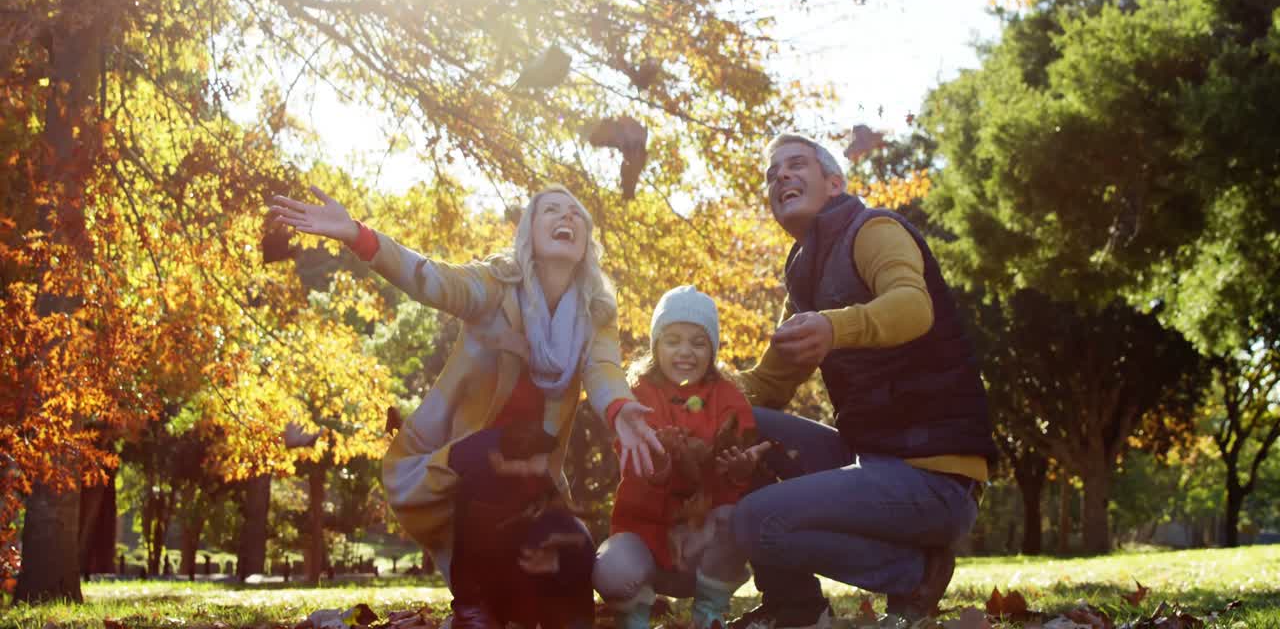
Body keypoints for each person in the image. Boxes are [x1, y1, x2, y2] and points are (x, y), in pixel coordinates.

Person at [267, 184, 664, 629]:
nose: (566, 217)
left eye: (575, 214)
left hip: (533, 482)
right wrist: (358, 235)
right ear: (529, 232)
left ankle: (522, 609)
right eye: (551, 210)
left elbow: (603, 367)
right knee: (497, 448)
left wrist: (620, 409)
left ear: (586, 241)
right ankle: (471, 608)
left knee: (574, 551)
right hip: (463, 462)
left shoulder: (595, 311)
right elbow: (432, 279)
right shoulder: (496, 285)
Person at [727, 134, 998, 627]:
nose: (780, 176)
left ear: (834, 184)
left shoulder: (873, 229)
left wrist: (835, 328)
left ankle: (914, 574)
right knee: (739, 420)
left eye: (796, 165)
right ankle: (796, 607)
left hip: (936, 480)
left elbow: (913, 306)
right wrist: (689, 395)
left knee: (753, 521)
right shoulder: (803, 275)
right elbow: (767, 383)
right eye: (771, 173)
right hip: (872, 460)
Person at [594, 286, 771, 629]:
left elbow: (734, 460)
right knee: (611, 568)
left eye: (698, 342)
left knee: (737, 518)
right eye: (673, 340)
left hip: (703, 543)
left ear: (712, 349)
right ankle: (634, 613)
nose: (685, 352)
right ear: (656, 345)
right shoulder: (638, 395)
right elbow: (634, 465)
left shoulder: (728, 397)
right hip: (647, 534)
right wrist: (662, 460)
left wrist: (738, 471)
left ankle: (709, 611)